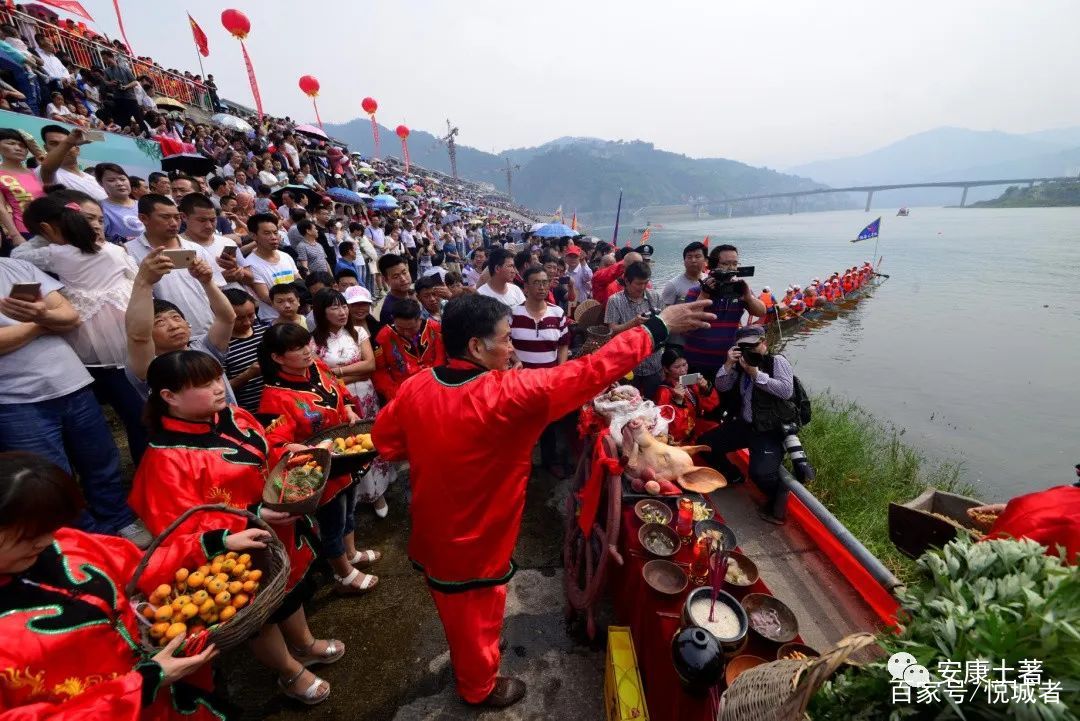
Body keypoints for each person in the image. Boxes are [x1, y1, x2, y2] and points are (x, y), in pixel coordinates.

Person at [371, 294, 714, 707]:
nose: (512, 347)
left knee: (455, 610)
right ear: (477, 347)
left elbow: (386, 443)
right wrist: (658, 326)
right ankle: (479, 688)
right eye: (504, 339)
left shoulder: (417, 386)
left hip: (430, 527)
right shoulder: (508, 395)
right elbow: (589, 371)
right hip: (476, 541)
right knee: (477, 618)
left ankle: (468, 663)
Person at [128, 350, 343, 705]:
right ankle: (290, 671)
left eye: (217, 378)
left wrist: (287, 453)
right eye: (204, 383)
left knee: (289, 592)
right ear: (169, 397)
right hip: (238, 548)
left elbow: (265, 452)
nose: (218, 388)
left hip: (280, 528)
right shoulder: (165, 460)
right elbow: (181, 527)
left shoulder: (232, 415)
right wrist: (253, 515)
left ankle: (304, 645)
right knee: (260, 615)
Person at [0, 451, 264, 719]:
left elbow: (139, 566)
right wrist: (141, 685)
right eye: (28, 535)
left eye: (50, 527)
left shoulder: (66, 544)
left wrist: (213, 543)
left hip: (164, 691)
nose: (44, 541)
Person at [0, 256, 149, 546]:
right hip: (15, 398)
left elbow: (69, 315)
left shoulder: (14, 267)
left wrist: (41, 318)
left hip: (71, 382)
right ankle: (85, 539)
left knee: (101, 459)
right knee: (51, 476)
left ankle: (118, 518)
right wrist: (43, 323)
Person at [257, 324, 380, 595]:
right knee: (331, 523)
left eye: (306, 344)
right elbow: (276, 444)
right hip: (321, 467)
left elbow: (341, 392)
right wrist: (313, 449)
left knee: (349, 510)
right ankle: (342, 573)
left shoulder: (316, 367)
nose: (306, 351)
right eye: (297, 348)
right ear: (277, 357)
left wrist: (348, 411)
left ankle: (351, 552)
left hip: (346, 457)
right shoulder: (274, 396)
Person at [699, 326, 797, 525]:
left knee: (761, 473)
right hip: (744, 424)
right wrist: (728, 364)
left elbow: (786, 391)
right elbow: (722, 386)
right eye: (744, 347)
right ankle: (733, 475)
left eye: (754, 345)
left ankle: (777, 498)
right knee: (705, 444)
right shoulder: (739, 364)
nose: (750, 351)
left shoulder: (776, 361)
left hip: (767, 429)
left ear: (764, 343)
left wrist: (756, 374)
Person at [312, 286, 393, 517]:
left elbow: (370, 366)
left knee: (371, 440)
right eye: (335, 307)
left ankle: (378, 492)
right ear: (321, 311)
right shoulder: (314, 341)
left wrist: (336, 371)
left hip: (366, 396)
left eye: (343, 305)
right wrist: (351, 373)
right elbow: (321, 376)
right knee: (350, 445)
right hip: (340, 401)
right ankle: (354, 493)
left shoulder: (358, 332)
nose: (342, 311)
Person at [125, 247, 236, 404]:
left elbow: (227, 318)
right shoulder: (149, 367)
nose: (173, 326)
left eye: (176, 317)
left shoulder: (205, 349)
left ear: (188, 325)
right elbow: (138, 337)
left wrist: (207, 282)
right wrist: (144, 282)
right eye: (160, 322)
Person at [125, 194, 221, 337]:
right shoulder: (129, 252)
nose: (174, 223)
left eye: (177, 217)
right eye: (165, 217)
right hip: (167, 337)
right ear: (143, 218)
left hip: (208, 331)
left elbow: (215, 289)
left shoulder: (195, 248)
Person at [683, 244, 767, 379]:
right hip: (696, 362)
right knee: (697, 398)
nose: (731, 268)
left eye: (734, 264)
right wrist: (704, 295)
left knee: (726, 397)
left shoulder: (739, 290)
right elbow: (687, 322)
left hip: (728, 362)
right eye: (726, 264)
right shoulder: (696, 291)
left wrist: (748, 298)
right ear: (713, 265)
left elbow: (761, 312)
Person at [605, 261, 663, 398]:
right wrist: (633, 323)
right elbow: (612, 331)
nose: (642, 287)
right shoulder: (615, 300)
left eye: (645, 283)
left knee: (652, 403)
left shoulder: (654, 297)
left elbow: (664, 324)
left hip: (653, 362)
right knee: (627, 404)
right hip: (627, 365)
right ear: (626, 281)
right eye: (638, 283)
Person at [372, 298, 445, 401]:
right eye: (400, 328)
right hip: (402, 392)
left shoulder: (435, 329)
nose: (406, 333)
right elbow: (380, 371)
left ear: (420, 319)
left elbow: (441, 359)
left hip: (436, 386)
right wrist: (394, 394)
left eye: (411, 328)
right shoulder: (384, 336)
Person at [244, 212, 300, 322]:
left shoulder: (286, 256)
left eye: (275, 232)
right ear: (253, 235)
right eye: (267, 233)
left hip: (296, 316)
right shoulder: (250, 264)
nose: (274, 237)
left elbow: (298, 280)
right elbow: (265, 297)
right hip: (273, 320)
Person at [656, 347, 720, 443]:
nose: (683, 370)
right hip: (680, 439)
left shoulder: (690, 381)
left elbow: (711, 406)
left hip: (695, 427)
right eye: (677, 367)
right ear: (666, 369)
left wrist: (706, 388)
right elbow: (674, 431)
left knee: (718, 430)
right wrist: (678, 402)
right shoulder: (663, 392)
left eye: (684, 364)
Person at [222, 288, 267, 412]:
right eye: (239, 318)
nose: (247, 322)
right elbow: (221, 390)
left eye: (251, 315)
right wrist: (247, 375)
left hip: (277, 406)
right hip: (247, 414)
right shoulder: (220, 347)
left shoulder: (265, 334)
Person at [37, 126, 107, 201]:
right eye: (54, 144)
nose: (62, 148)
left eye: (67, 144)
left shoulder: (93, 179)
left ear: (77, 150)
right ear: (46, 148)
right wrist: (68, 142)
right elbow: (47, 169)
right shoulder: (44, 171)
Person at [0, 127, 43, 240]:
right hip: (25, 232)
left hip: (53, 230)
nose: (18, 148)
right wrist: (15, 235)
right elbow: (1, 208)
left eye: (23, 145)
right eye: (11, 143)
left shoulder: (37, 172)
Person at [95, 162, 144, 244]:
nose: (119, 184)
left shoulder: (142, 204)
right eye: (111, 180)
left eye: (122, 179)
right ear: (101, 184)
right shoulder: (100, 208)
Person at [375, 253, 413, 325]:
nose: (403, 279)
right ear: (386, 280)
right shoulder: (389, 311)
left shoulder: (412, 294)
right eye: (396, 276)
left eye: (404, 272)